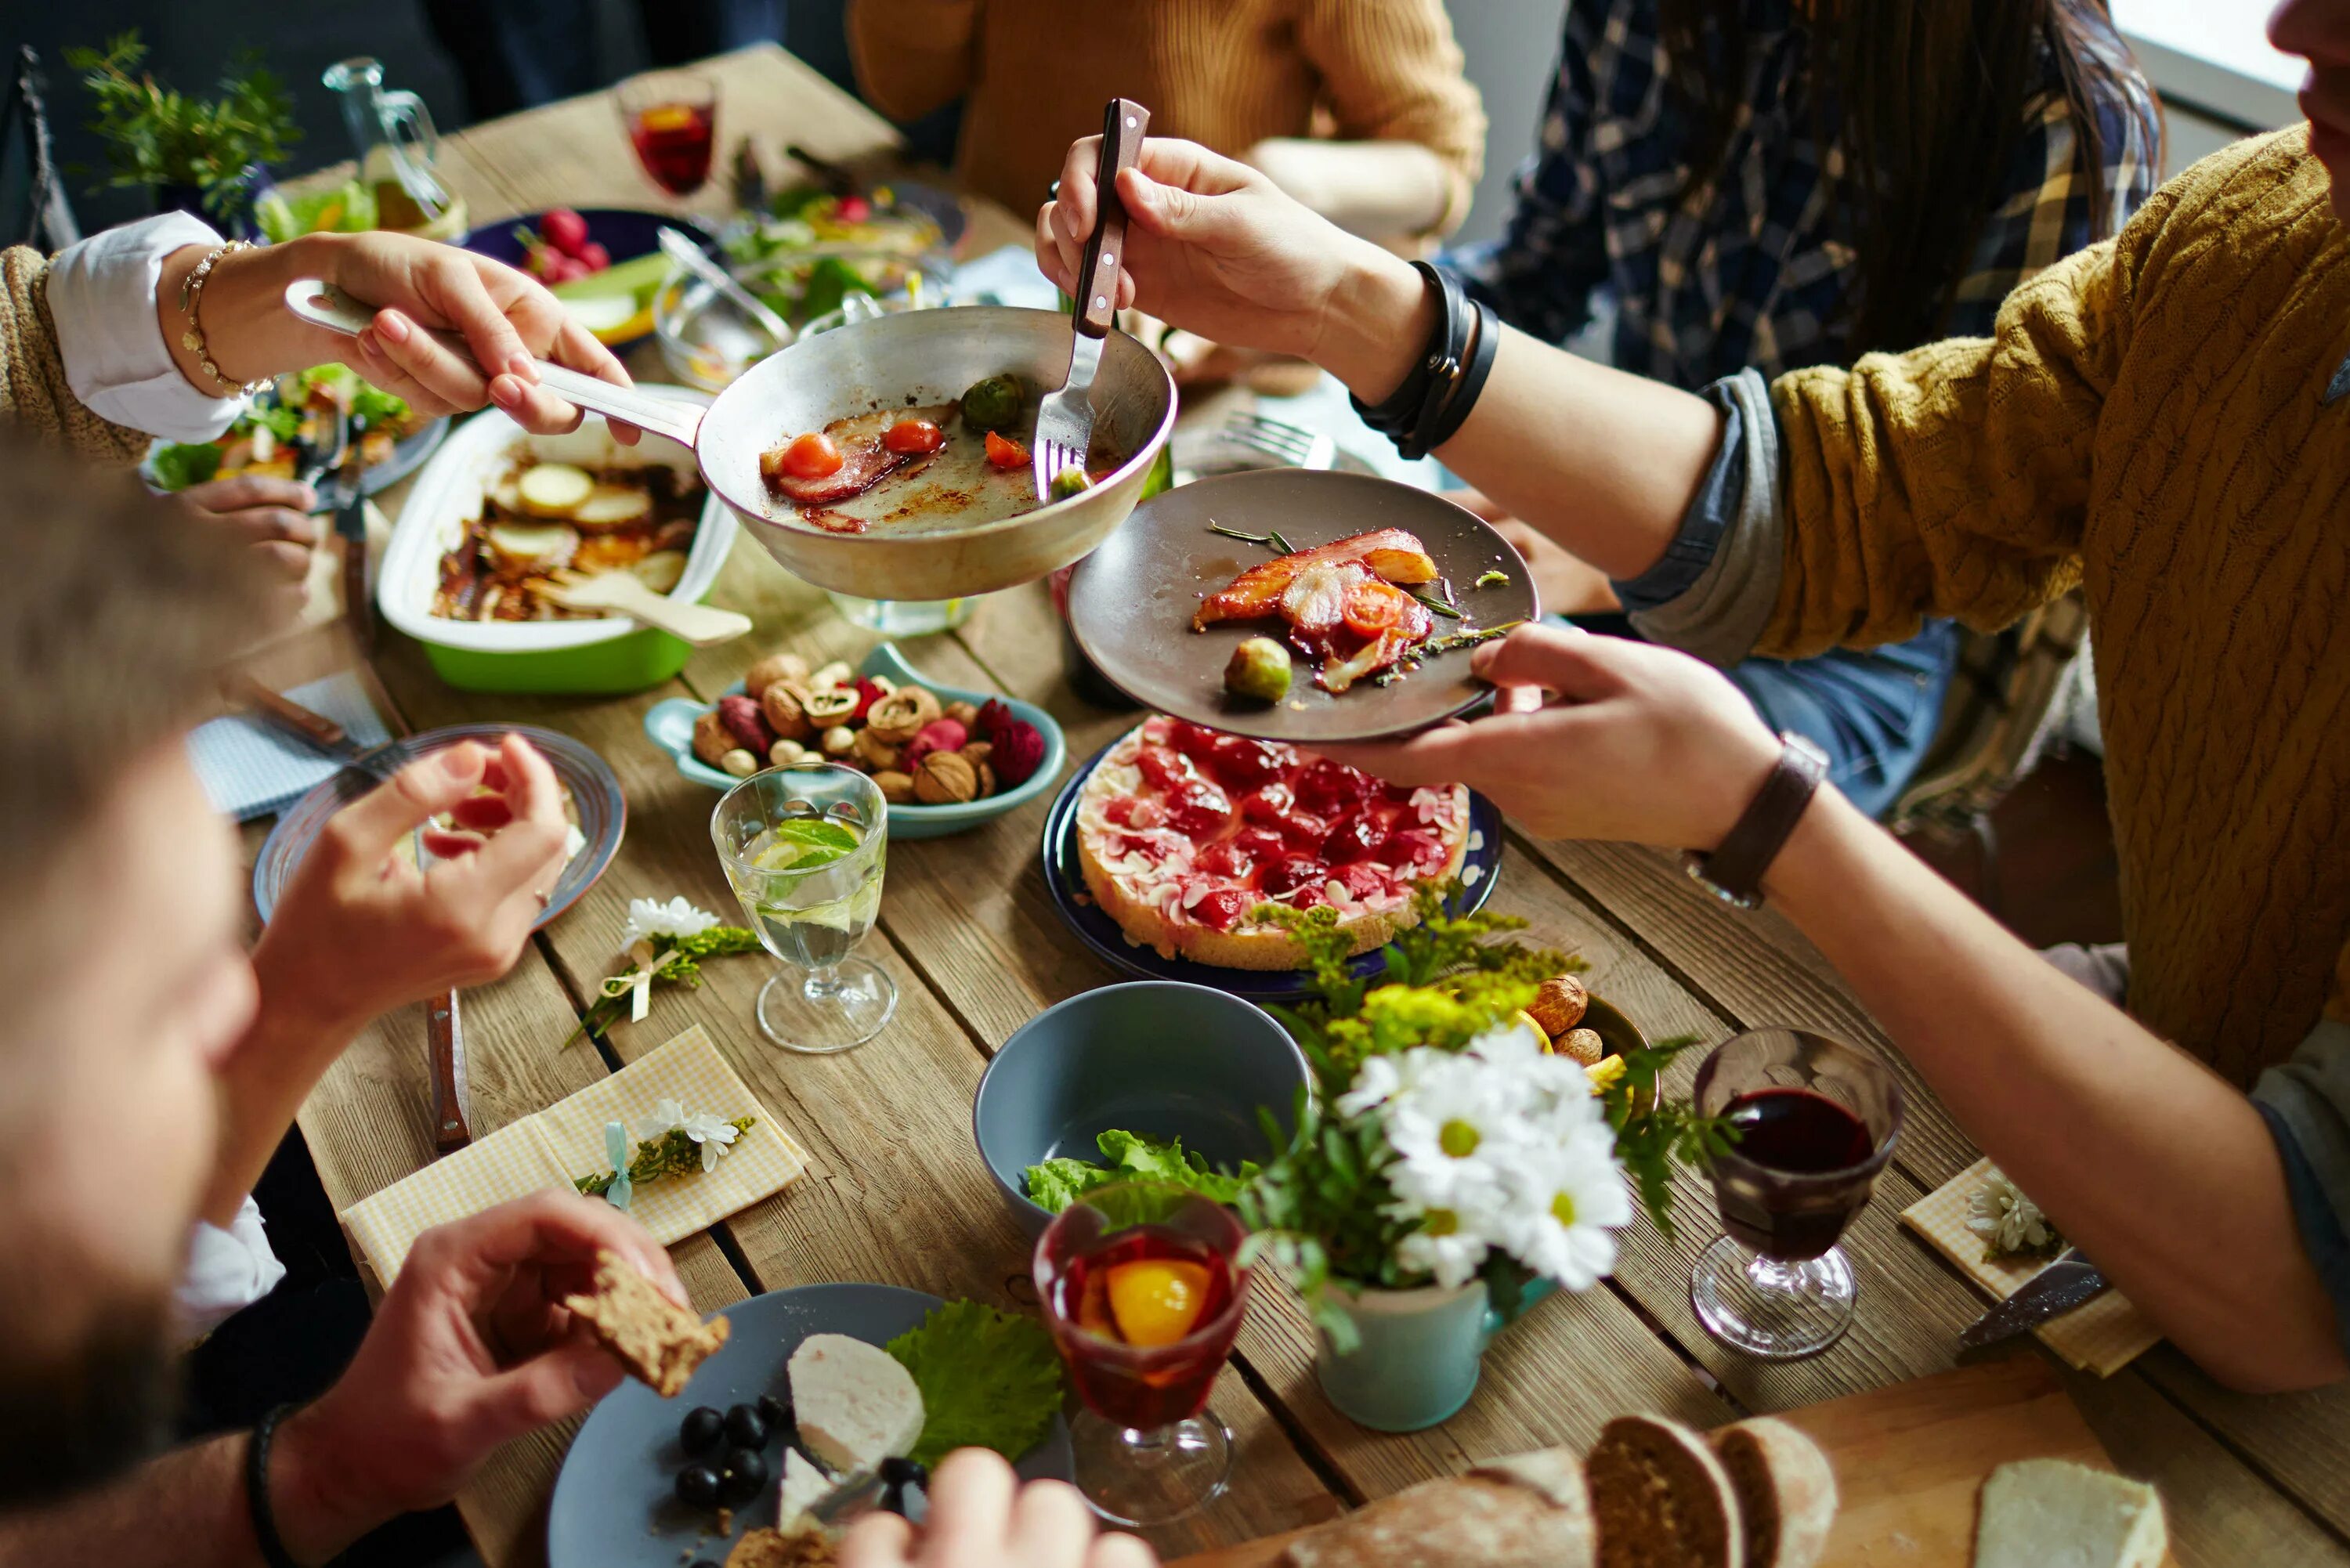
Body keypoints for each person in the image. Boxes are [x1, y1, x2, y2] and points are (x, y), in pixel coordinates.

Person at [1033, 0, 2350, 1393]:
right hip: (2163, 1063)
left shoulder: (2068, 118)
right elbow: (1871, 489)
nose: (2291, 19)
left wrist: (1767, 813)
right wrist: (1344, 301)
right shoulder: (2259, 223)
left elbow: (2299, 1290)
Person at [1442, 0, 2158, 817]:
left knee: (1524, 788)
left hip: (1843, 651)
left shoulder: (2062, 111)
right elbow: (1535, 274)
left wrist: (1628, 554)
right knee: (1410, 710)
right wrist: (1362, 315)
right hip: (1602, 530)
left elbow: (1971, 523)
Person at [846, 0, 1485, 243]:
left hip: (1219, 356)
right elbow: (903, 91)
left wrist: (1281, 175)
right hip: (996, 276)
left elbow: (1442, 165)